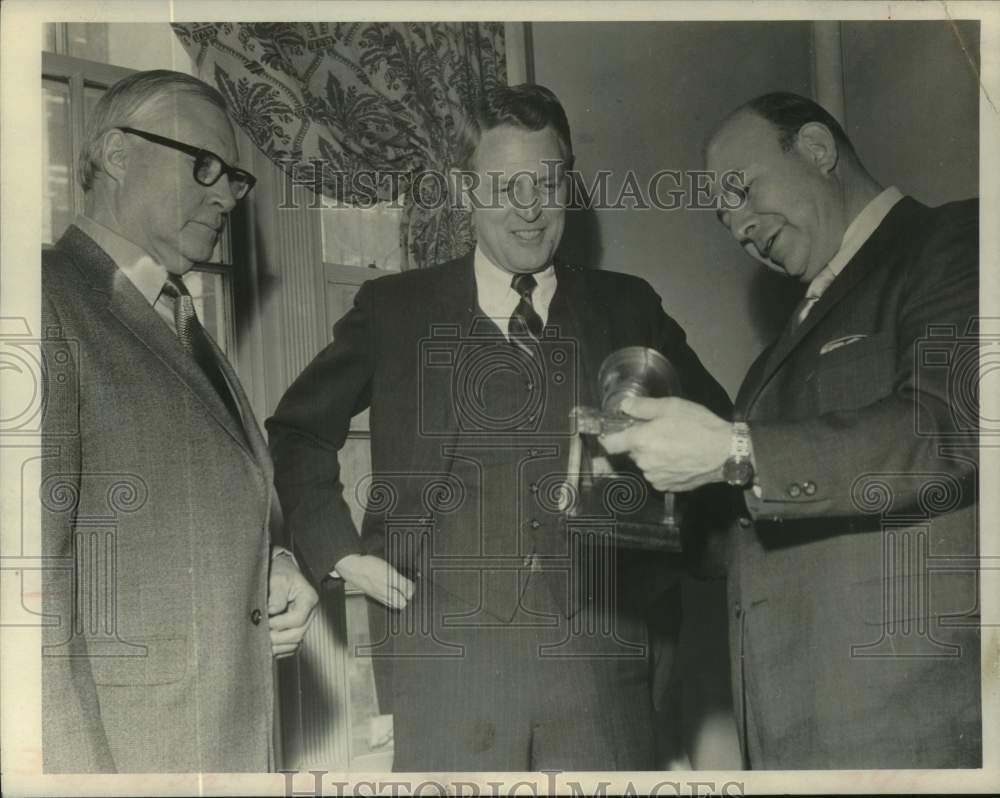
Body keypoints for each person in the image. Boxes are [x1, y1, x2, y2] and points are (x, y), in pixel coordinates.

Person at [266, 83, 732, 771]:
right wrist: (338, 552)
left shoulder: (630, 308)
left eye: (546, 181)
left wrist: (658, 560)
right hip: (447, 676)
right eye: (504, 184)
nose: (528, 208)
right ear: (464, 190)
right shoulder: (395, 310)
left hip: (603, 676)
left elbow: (721, 443)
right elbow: (299, 430)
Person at [603, 91, 981, 769]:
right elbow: (744, 539)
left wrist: (734, 450)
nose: (741, 227)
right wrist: (639, 500)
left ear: (816, 148)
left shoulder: (955, 240)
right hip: (790, 734)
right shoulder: (776, 353)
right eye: (725, 218)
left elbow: (947, 425)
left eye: (742, 192)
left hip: (907, 726)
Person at [41, 69, 318, 773]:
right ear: (114, 154)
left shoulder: (178, 315)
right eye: (204, 166)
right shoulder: (41, 300)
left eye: (234, 179)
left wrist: (272, 564)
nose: (226, 193)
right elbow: (28, 590)